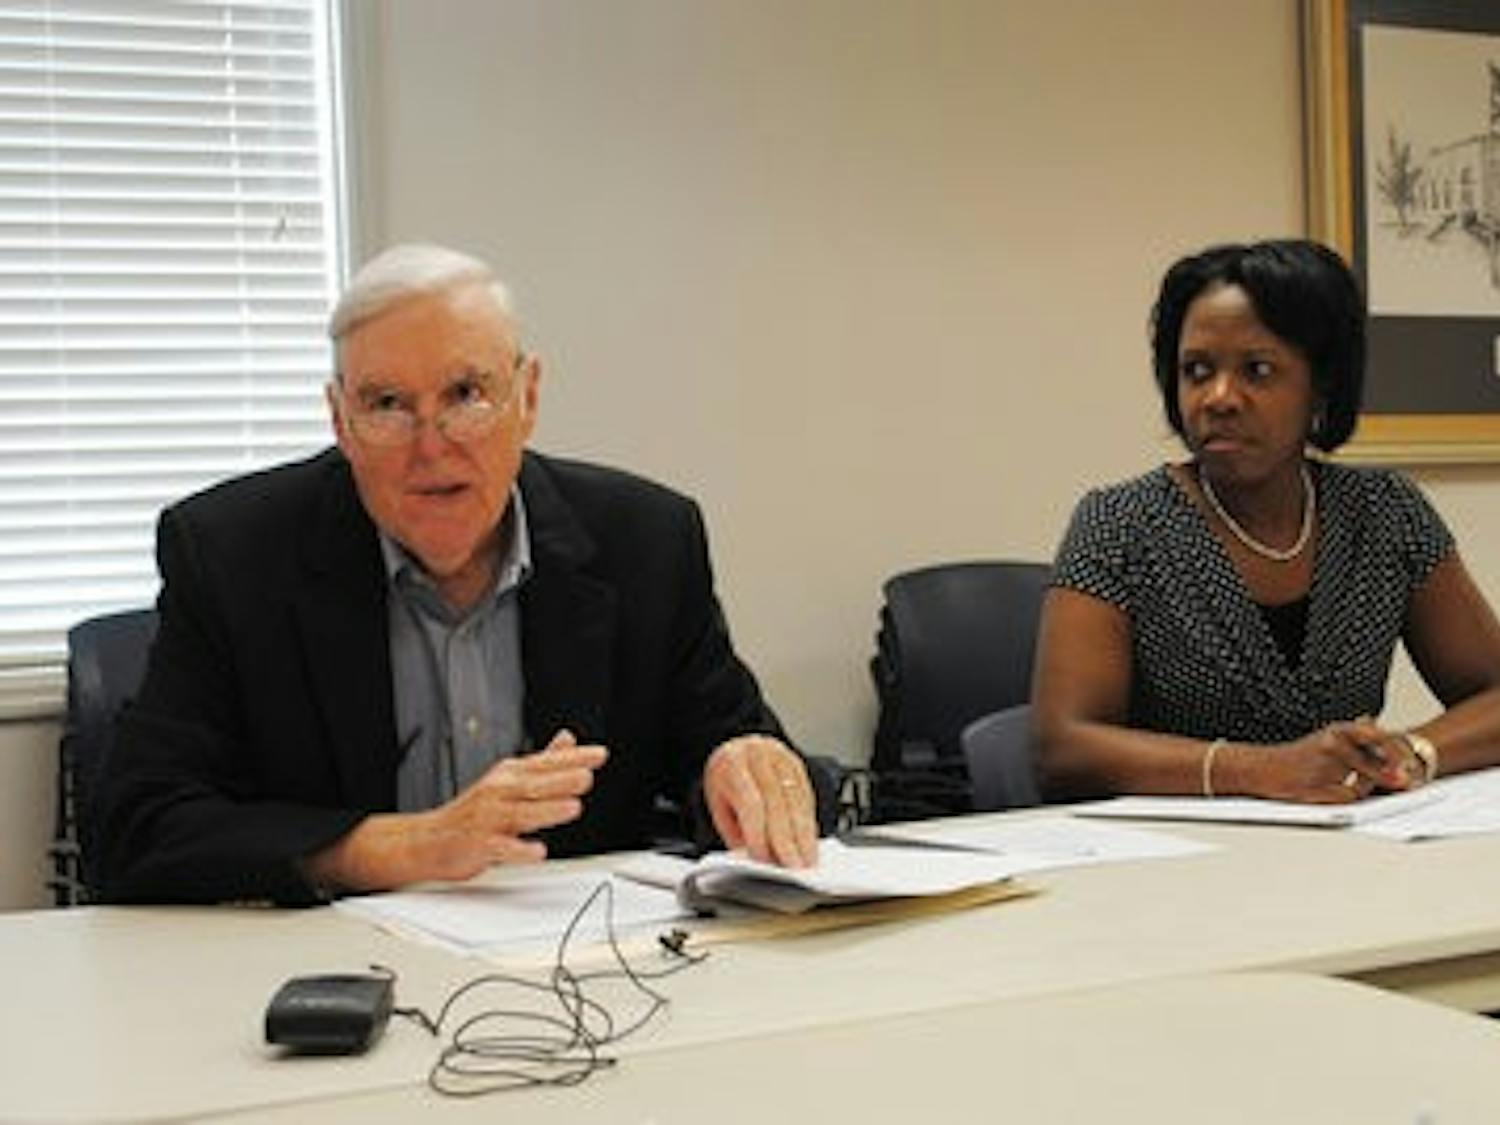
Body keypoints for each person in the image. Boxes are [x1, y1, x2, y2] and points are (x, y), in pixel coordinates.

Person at [95, 243, 820, 904]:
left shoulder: (645, 543)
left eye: (466, 394)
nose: (431, 448)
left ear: (527, 397)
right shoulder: (233, 554)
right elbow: (136, 830)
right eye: (387, 405)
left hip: (580, 965)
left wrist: (745, 771)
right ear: (340, 421)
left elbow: (746, 756)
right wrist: (396, 847)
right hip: (337, 963)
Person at [1034, 239, 1500, 804]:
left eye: (1257, 371)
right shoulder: (1119, 524)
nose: (1219, 398)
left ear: (1321, 384)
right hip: (1178, 845)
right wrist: (1261, 771)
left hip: (1350, 840)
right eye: (1197, 371)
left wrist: (1412, 751)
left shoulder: (1384, 512)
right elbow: (1062, 748)